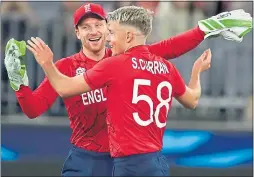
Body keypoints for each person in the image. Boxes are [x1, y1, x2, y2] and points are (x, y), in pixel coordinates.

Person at [4, 3, 252, 177]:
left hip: (123, 160)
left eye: (99, 25)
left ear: (108, 28)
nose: (94, 31)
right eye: (85, 26)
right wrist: (19, 82)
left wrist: (204, 30)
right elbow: (33, 109)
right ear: (76, 32)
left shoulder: (121, 59)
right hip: (87, 159)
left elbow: (170, 47)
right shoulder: (67, 66)